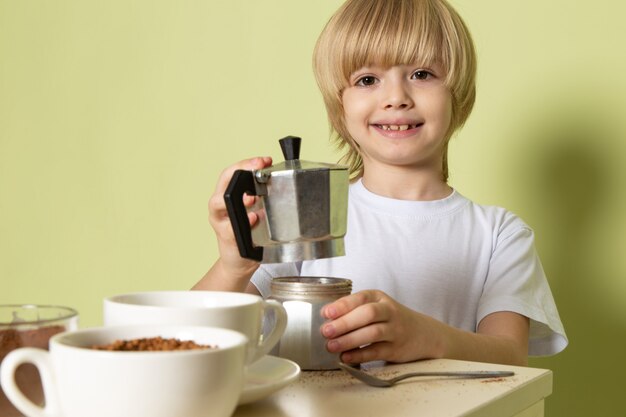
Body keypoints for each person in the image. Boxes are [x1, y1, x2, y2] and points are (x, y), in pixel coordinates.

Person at [193, 0, 567, 366]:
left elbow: (510, 356)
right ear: (340, 107)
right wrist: (234, 265)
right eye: (367, 80)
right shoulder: (307, 220)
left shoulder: (499, 234)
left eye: (421, 74)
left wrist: (425, 337)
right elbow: (188, 339)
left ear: (458, 93)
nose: (396, 98)